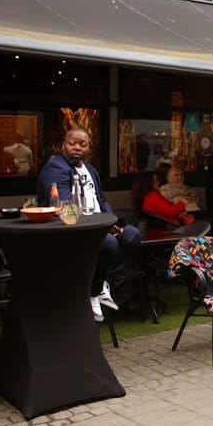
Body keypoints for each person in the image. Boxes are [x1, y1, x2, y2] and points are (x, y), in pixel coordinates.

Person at [37, 128, 141, 322]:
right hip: (71, 231)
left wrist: (111, 221)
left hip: (99, 226)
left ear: (89, 148)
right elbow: (66, 208)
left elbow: (102, 200)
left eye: (82, 144)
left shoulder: (90, 169)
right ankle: (94, 290)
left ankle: (102, 283)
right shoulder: (56, 168)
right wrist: (103, 226)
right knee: (108, 244)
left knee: (131, 235)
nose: (77, 148)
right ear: (63, 145)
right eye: (72, 143)